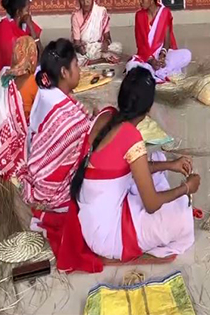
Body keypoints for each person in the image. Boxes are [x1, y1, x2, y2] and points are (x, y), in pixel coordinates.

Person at [59, 67, 199, 269]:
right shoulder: (131, 138)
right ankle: (119, 252)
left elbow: (125, 169)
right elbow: (151, 204)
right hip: (107, 237)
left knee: (157, 161)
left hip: (92, 219)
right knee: (181, 217)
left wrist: (171, 164)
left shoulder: (106, 115)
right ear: (149, 109)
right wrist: (186, 188)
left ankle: (164, 175)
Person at [21, 39, 92, 212]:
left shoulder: (47, 91)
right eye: (76, 65)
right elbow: (89, 136)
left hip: (37, 167)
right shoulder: (69, 120)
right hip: (52, 188)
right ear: (64, 72)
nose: (79, 70)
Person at [126, 0, 191, 83]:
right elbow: (140, 44)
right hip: (146, 57)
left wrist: (162, 56)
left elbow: (167, 39)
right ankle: (161, 72)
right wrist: (151, 60)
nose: (140, 1)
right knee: (131, 66)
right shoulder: (139, 16)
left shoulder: (165, 13)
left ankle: (158, 72)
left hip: (161, 54)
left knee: (187, 54)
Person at [0, 36, 39, 131]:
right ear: (33, 58)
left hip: (5, 135)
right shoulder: (33, 83)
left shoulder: (2, 82)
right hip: (27, 135)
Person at [71, 0, 122, 66]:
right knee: (74, 57)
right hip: (85, 49)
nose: (85, 2)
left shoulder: (101, 12)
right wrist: (80, 48)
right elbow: (76, 43)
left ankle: (91, 61)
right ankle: (101, 60)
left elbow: (108, 37)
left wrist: (106, 43)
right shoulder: (76, 16)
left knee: (117, 47)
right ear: (79, 1)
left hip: (98, 47)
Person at [0, 0, 42, 77]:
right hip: (9, 77)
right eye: (27, 10)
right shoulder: (3, 28)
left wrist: (32, 29)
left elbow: (41, 56)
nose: (29, 13)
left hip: (26, 74)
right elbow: (13, 62)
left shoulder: (27, 25)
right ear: (18, 12)